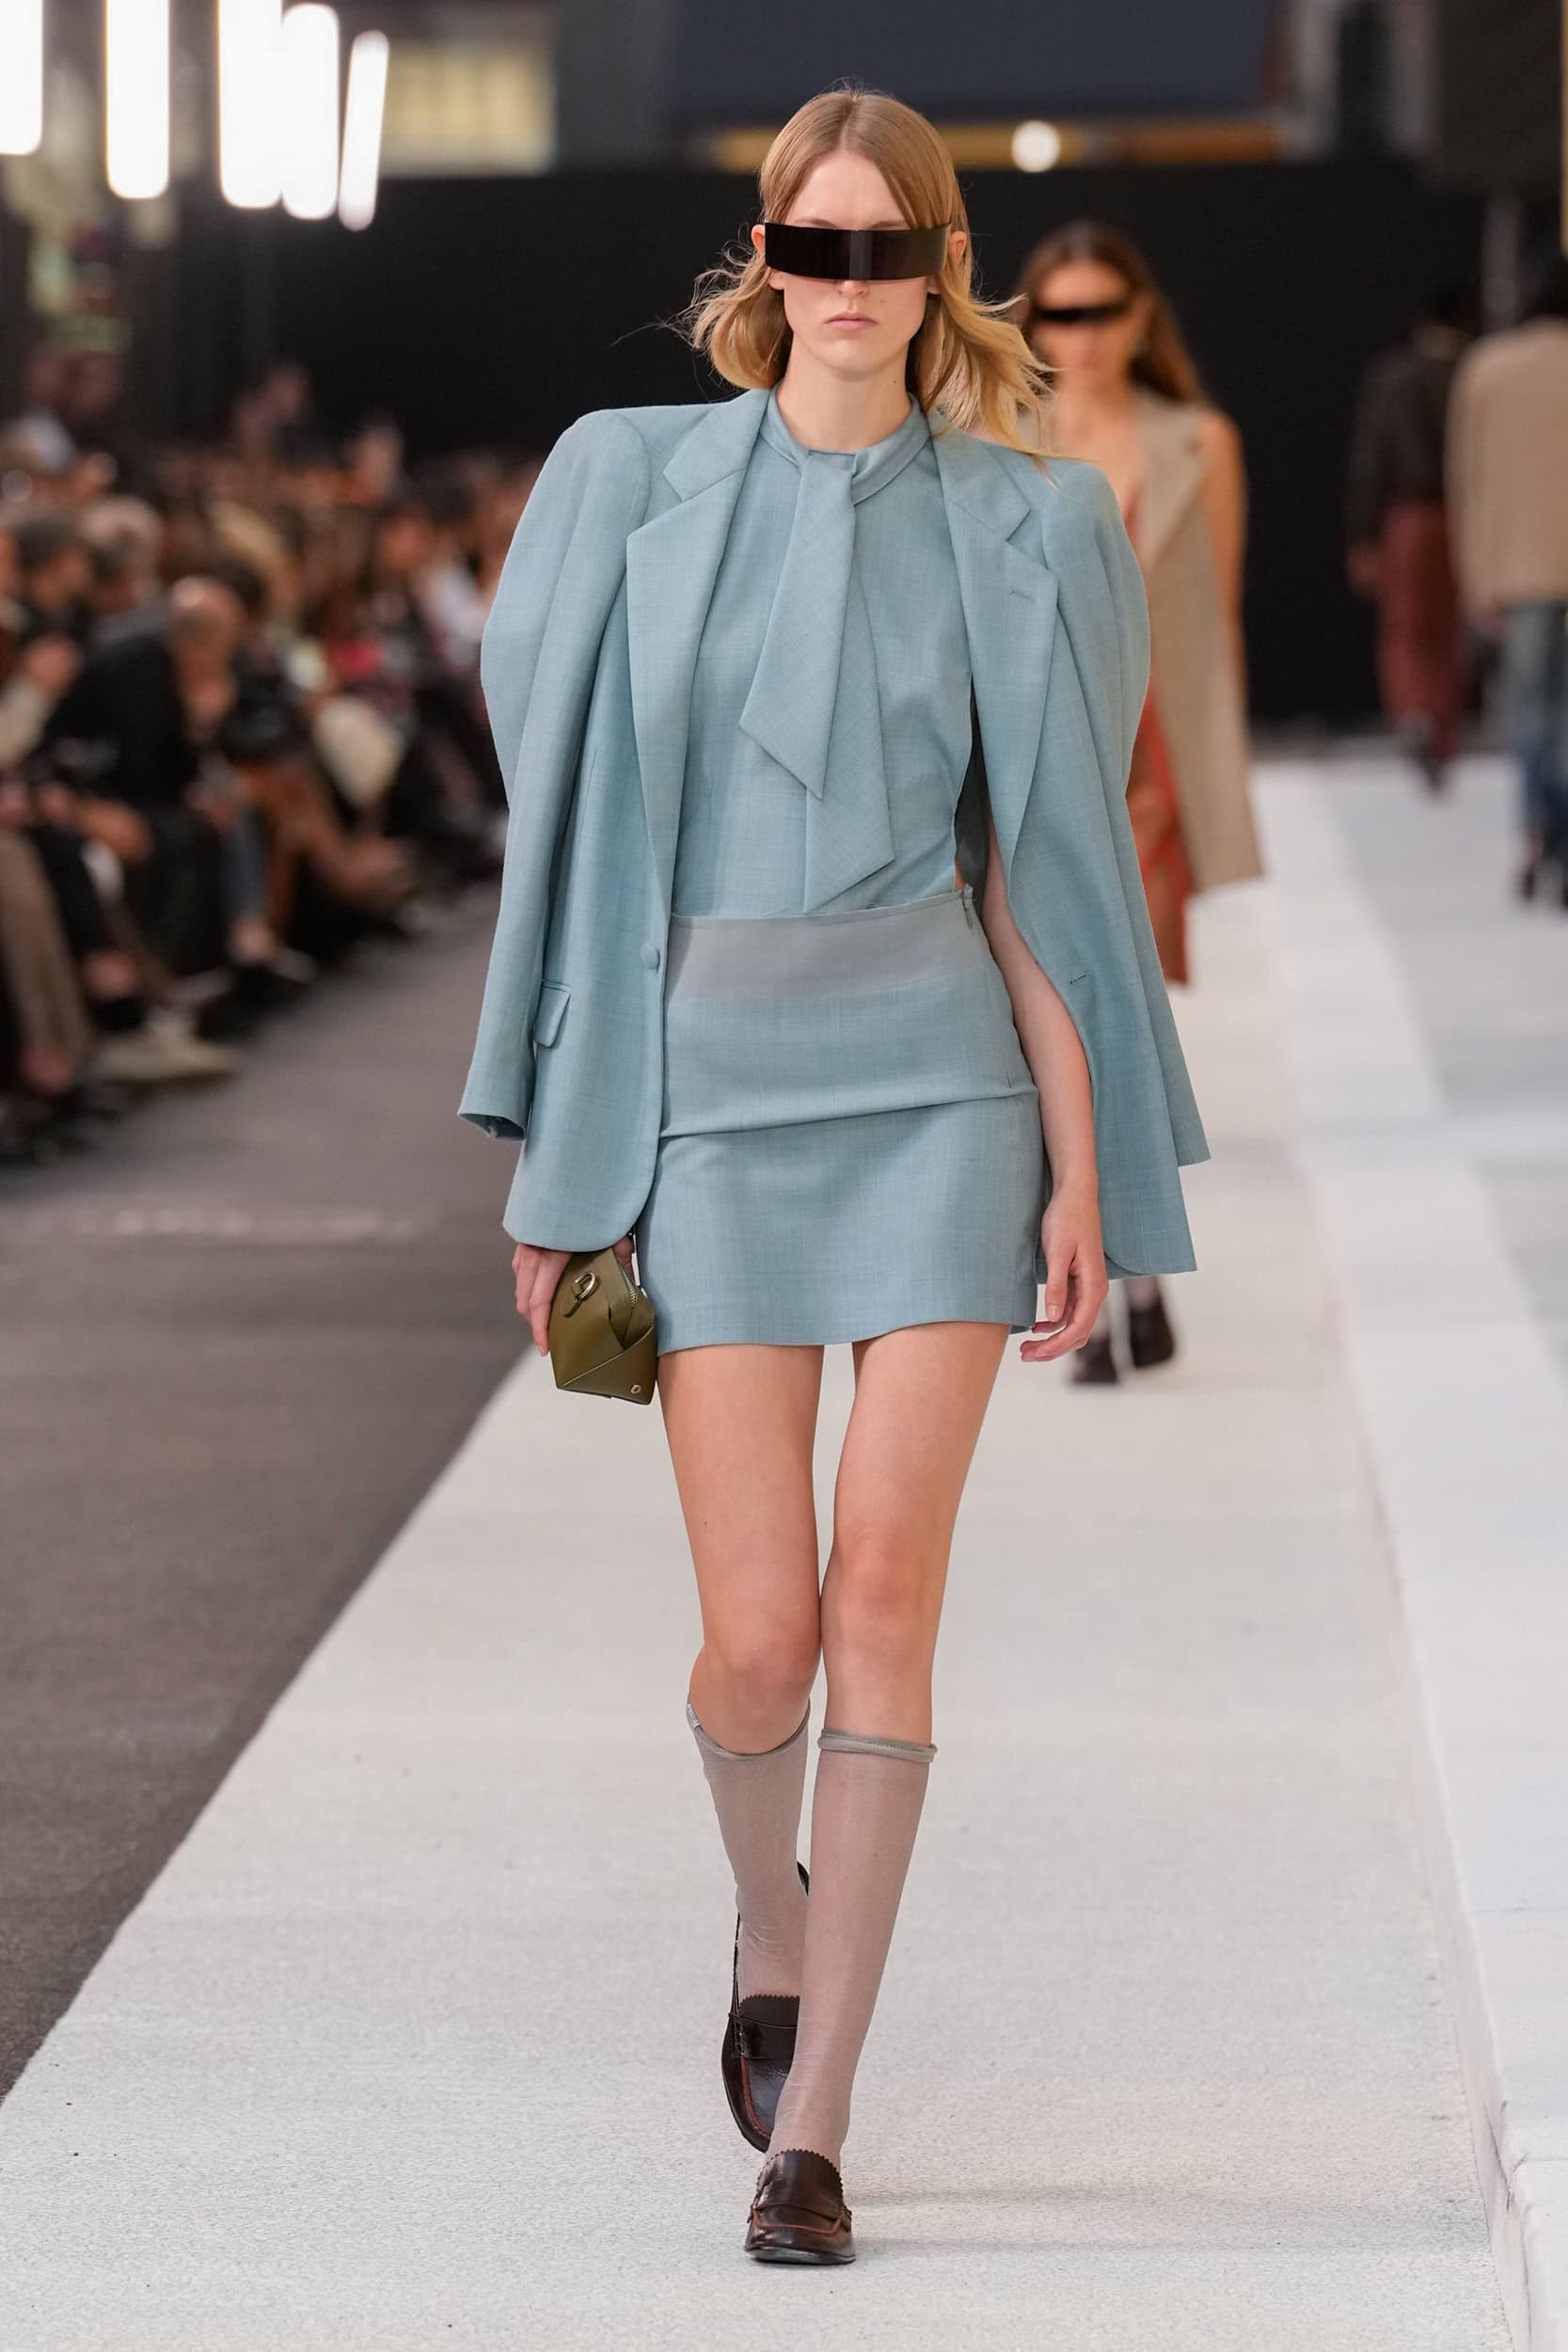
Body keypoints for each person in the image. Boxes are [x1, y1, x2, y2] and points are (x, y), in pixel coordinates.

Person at [457, 87, 1205, 2265]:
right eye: (815, 244)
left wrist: (1079, 1170)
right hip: (699, 1100)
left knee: (882, 1591)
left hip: (936, 1097)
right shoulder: (625, 488)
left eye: (889, 248)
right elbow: (574, 847)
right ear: (764, 255)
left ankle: (819, 2123)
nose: (849, 285)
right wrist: (561, 1151)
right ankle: (764, 1918)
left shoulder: (1028, 522)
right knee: (757, 1640)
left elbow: (1040, 872)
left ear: (943, 267)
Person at [1015, 219, 1260, 1384]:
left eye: (1099, 311)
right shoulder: (992, 436)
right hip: (1035, 764)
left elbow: (1213, 619)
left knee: (1117, 1015)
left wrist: (1213, 783)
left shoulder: (1199, 443)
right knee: (1064, 1020)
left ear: (1138, 317)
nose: (1080, 335)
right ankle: (1133, 1284)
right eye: (1057, 313)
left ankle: (1120, 1285)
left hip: (1148, 767)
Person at [1448, 253, 1568, 902]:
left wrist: (1477, 574)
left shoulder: (1488, 368)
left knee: (1530, 710)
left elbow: (1468, 481)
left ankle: (1534, 834)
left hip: (1520, 569)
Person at [1346, 283, 1473, 788]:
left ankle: (1413, 714)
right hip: (1462, 515)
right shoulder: (1470, 374)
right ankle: (1442, 733)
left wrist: (1363, 532)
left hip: (1408, 516)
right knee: (1449, 630)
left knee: (1406, 628)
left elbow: (1371, 458)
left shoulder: (1394, 377)